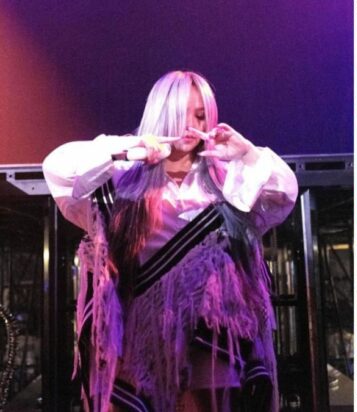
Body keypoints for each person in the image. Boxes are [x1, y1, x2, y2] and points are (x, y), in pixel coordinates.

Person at [42, 71, 298, 412]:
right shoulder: (119, 182)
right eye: (181, 113)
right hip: (135, 346)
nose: (191, 124)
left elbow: (285, 194)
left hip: (211, 346)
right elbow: (57, 170)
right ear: (161, 112)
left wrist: (246, 154)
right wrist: (129, 148)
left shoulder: (230, 183)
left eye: (201, 114)